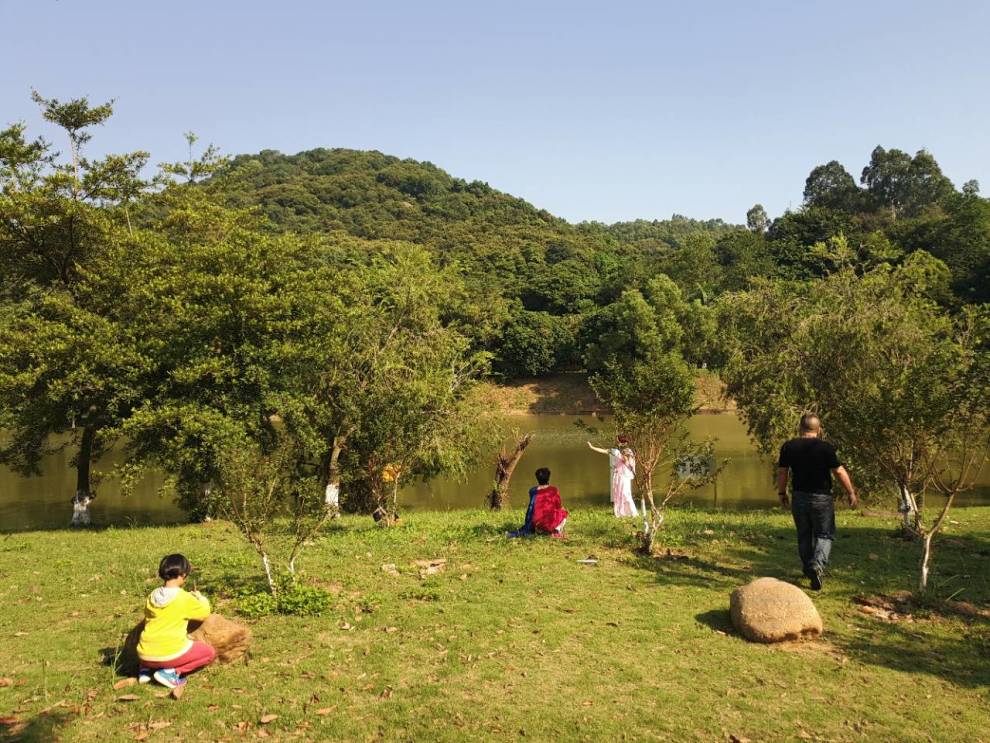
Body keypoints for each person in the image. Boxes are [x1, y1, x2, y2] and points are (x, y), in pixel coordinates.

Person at [777, 414, 858, 591]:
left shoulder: (788, 447)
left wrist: (782, 492)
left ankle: (808, 568)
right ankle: (817, 565)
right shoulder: (826, 448)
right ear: (818, 429)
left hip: (799, 496)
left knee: (804, 533)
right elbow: (839, 472)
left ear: (800, 428)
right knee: (824, 534)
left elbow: (783, 472)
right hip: (822, 498)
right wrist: (850, 492)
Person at [136, 554, 215, 689]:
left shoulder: (152, 596)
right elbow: (204, 612)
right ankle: (170, 672)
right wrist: (201, 598)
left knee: (152, 644)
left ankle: (146, 670)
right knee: (208, 653)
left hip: (143, 654)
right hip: (169, 654)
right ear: (183, 574)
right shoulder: (184, 598)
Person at [587, 437, 638, 517]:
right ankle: (619, 512)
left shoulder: (629, 451)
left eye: (618, 441)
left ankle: (632, 513)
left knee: (625, 493)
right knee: (618, 493)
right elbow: (604, 451)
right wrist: (592, 447)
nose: (617, 442)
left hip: (625, 476)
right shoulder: (616, 451)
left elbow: (626, 461)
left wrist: (621, 453)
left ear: (623, 443)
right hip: (618, 475)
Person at [531, 467, 568, 538]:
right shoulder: (553, 490)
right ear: (548, 478)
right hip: (549, 523)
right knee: (564, 512)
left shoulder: (533, 491)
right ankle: (556, 530)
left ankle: (543, 530)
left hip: (536, 524)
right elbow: (558, 506)